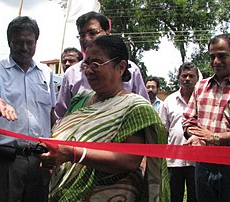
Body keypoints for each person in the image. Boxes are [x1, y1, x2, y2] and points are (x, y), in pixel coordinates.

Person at [40, 35, 168, 201]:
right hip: (63, 192)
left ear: (120, 67)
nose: (88, 70)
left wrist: (71, 154)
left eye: (96, 64)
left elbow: (130, 160)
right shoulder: (80, 99)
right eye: (86, 64)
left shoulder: (135, 107)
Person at [0, 16, 56, 202]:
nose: (25, 48)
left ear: (36, 41)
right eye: (19, 42)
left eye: (30, 42)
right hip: (7, 160)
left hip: (39, 159)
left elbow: (51, 114)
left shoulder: (46, 73)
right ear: (9, 42)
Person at [54, 11, 149, 121]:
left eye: (92, 33)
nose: (86, 39)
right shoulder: (71, 74)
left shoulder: (131, 69)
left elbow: (143, 113)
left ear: (107, 33)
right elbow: (61, 117)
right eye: (82, 35)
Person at [183, 33, 230, 202]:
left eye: (222, 56)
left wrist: (216, 137)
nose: (216, 61)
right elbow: (188, 120)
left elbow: (214, 136)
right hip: (203, 163)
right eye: (212, 57)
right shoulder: (201, 87)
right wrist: (194, 135)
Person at [160, 62, 198, 202]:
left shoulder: (202, 100)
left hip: (197, 161)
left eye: (191, 76)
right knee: (173, 197)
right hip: (174, 160)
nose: (187, 79)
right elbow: (163, 130)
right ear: (178, 78)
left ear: (197, 79)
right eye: (184, 75)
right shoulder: (169, 101)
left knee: (195, 197)